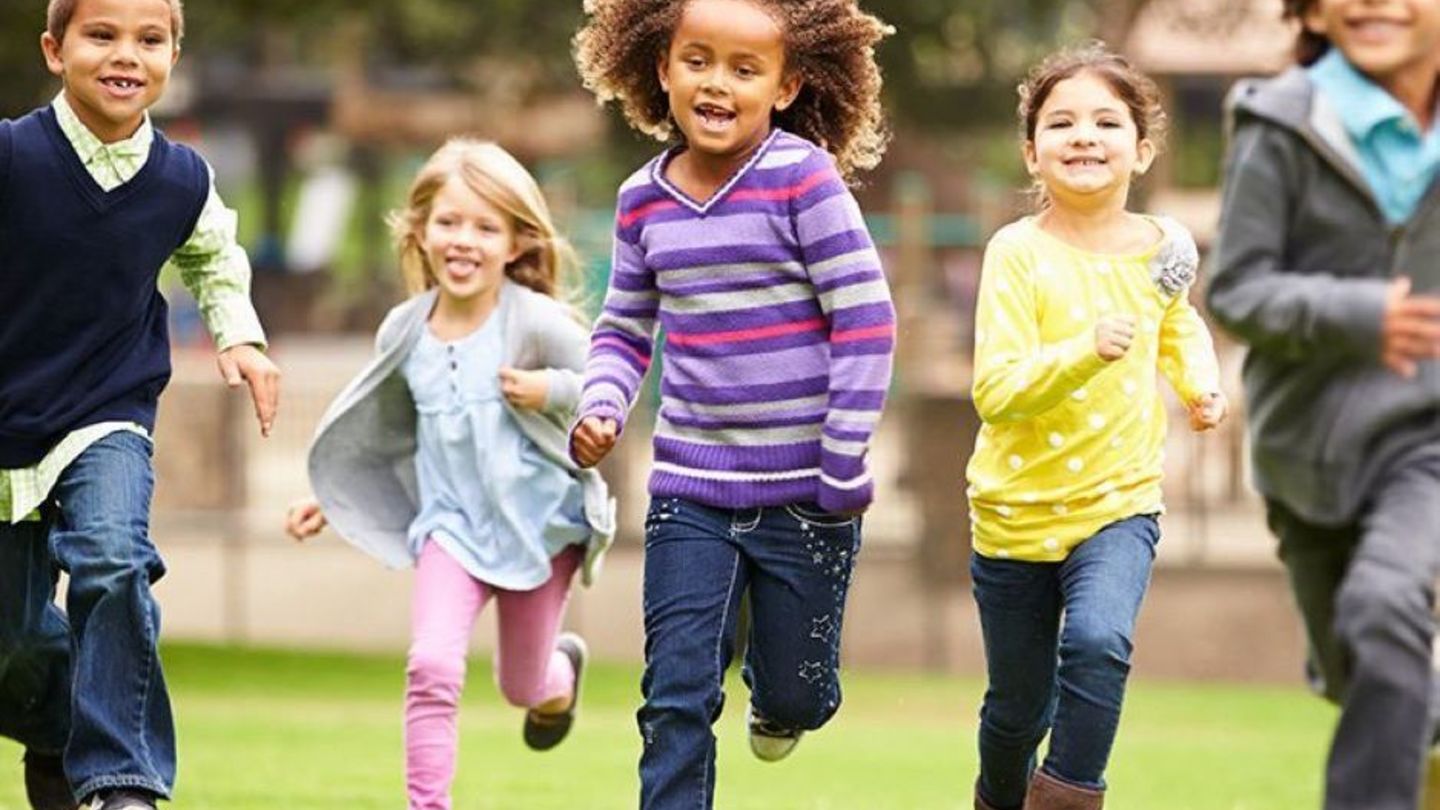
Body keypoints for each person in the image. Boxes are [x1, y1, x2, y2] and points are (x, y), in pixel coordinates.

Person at [569, 0, 895, 807]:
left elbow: (865, 317)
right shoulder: (642, 200)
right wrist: (602, 403)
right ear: (660, 68)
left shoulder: (803, 180)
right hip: (691, 491)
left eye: (745, 70)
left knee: (794, 696)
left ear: (784, 88)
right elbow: (623, 327)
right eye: (699, 60)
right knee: (674, 694)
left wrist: (844, 453)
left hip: (809, 495)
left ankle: (785, 700)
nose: (718, 83)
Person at [0, 0, 280, 808]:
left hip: (104, 415)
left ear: (173, 53)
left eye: (149, 39)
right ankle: (58, 727)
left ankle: (121, 778)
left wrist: (242, 340)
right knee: (11, 641)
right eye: (101, 35)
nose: (127, 55)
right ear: (55, 50)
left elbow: (216, 260)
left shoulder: (182, 178)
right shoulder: (14, 157)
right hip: (7, 421)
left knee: (113, 560)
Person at [284, 138, 616, 810]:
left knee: (523, 688)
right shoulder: (402, 333)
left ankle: (559, 673)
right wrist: (333, 494)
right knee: (431, 666)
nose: (464, 241)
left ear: (516, 244)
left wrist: (547, 390)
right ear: (420, 231)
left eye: (485, 227)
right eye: (449, 222)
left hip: (539, 528)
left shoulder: (536, 321)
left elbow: (610, 387)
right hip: (450, 530)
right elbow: (381, 432)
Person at [966, 43, 1226, 810]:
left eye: (1107, 122)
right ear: (1032, 151)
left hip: (1118, 503)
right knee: (1016, 712)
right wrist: (1085, 352)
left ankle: (1072, 794)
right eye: (1062, 122)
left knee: (1098, 644)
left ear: (1141, 149)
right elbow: (997, 391)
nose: (1084, 136)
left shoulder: (1163, 248)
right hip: (1013, 515)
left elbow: (1178, 325)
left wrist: (1200, 385)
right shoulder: (1015, 254)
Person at [1205, 1, 1440, 807]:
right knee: (1362, 670)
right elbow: (1235, 289)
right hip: (1309, 448)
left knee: (1386, 608)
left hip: (1428, 442)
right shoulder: (1280, 121)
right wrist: (1359, 313)